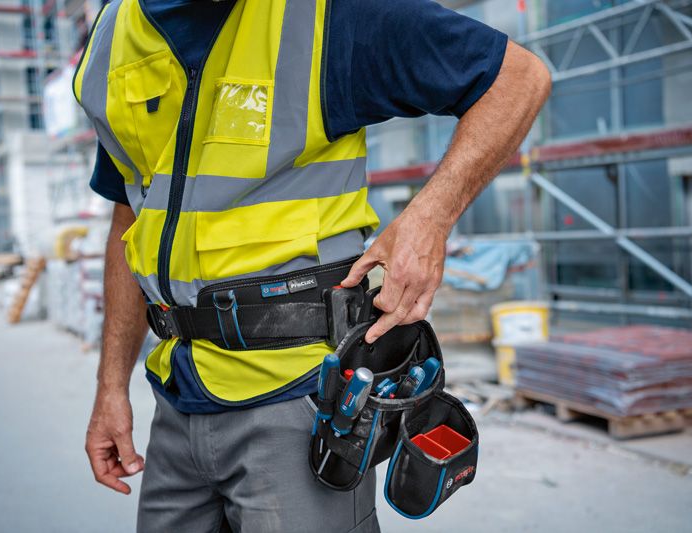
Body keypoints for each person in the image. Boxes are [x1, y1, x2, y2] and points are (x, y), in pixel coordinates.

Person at [74, 0, 550, 531]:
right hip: (176, 396)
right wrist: (110, 387)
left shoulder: (324, 14)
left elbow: (518, 78)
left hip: (302, 397)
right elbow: (130, 216)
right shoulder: (116, 36)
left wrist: (429, 219)